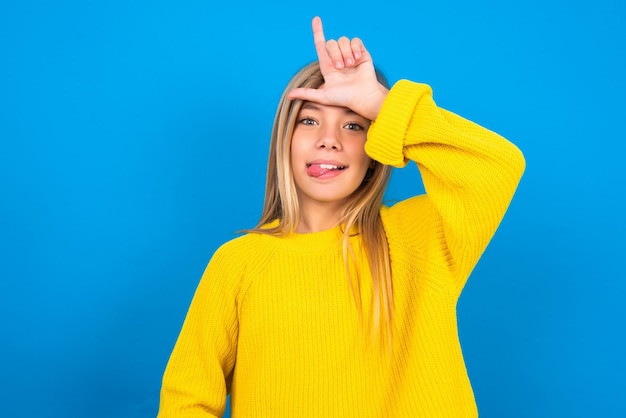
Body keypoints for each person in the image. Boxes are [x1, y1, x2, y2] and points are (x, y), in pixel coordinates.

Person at [157, 16, 525, 418]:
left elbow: (498, 168)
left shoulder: (422, 236)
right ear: (286, 139)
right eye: (309, 120)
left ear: (375, 149)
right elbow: (186, 401)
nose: (328, 139)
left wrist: (383, 105)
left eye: (352, 125)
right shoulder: (238, 264)